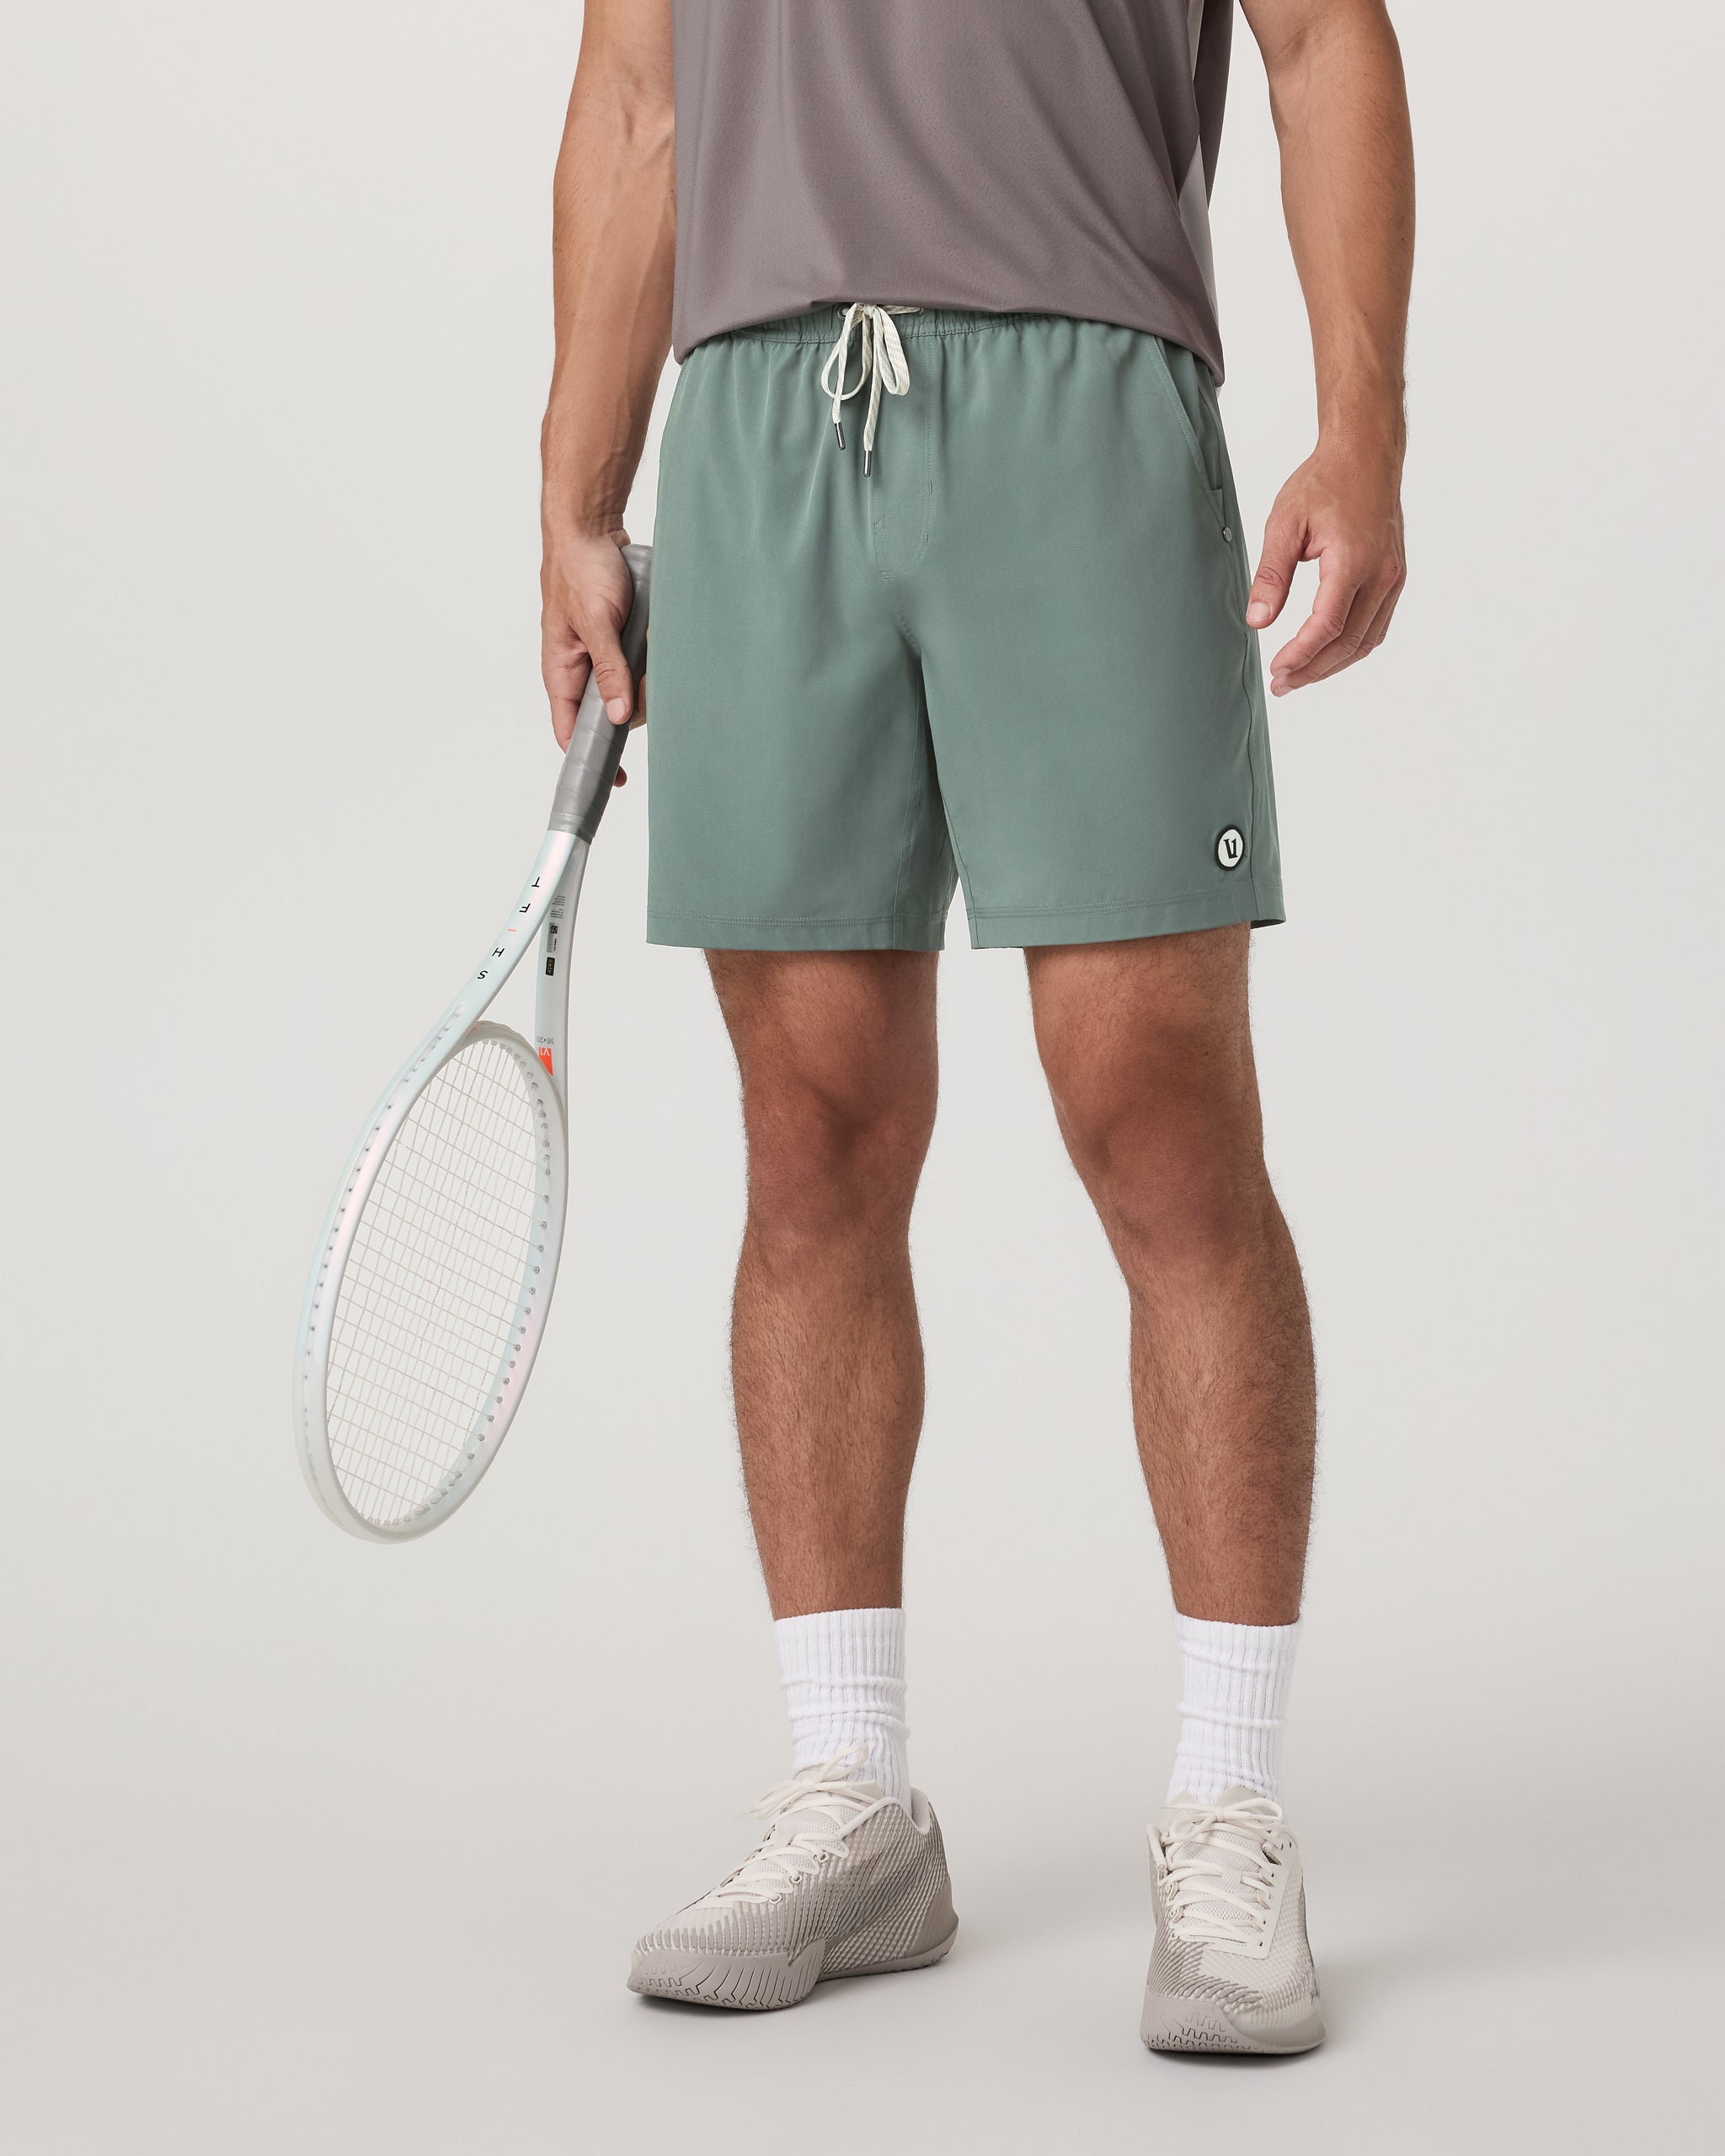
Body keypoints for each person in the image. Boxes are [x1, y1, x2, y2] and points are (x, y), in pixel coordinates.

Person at [539, 0, 1412, 2053]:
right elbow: (637, 94)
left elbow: (1321, 43)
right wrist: (577, 488)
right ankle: (852, 1791)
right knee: (810, 1131)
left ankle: (1228, 1806)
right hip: (761, 422)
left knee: (1159, 1123)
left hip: (1084, 398)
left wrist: (1362, 421)